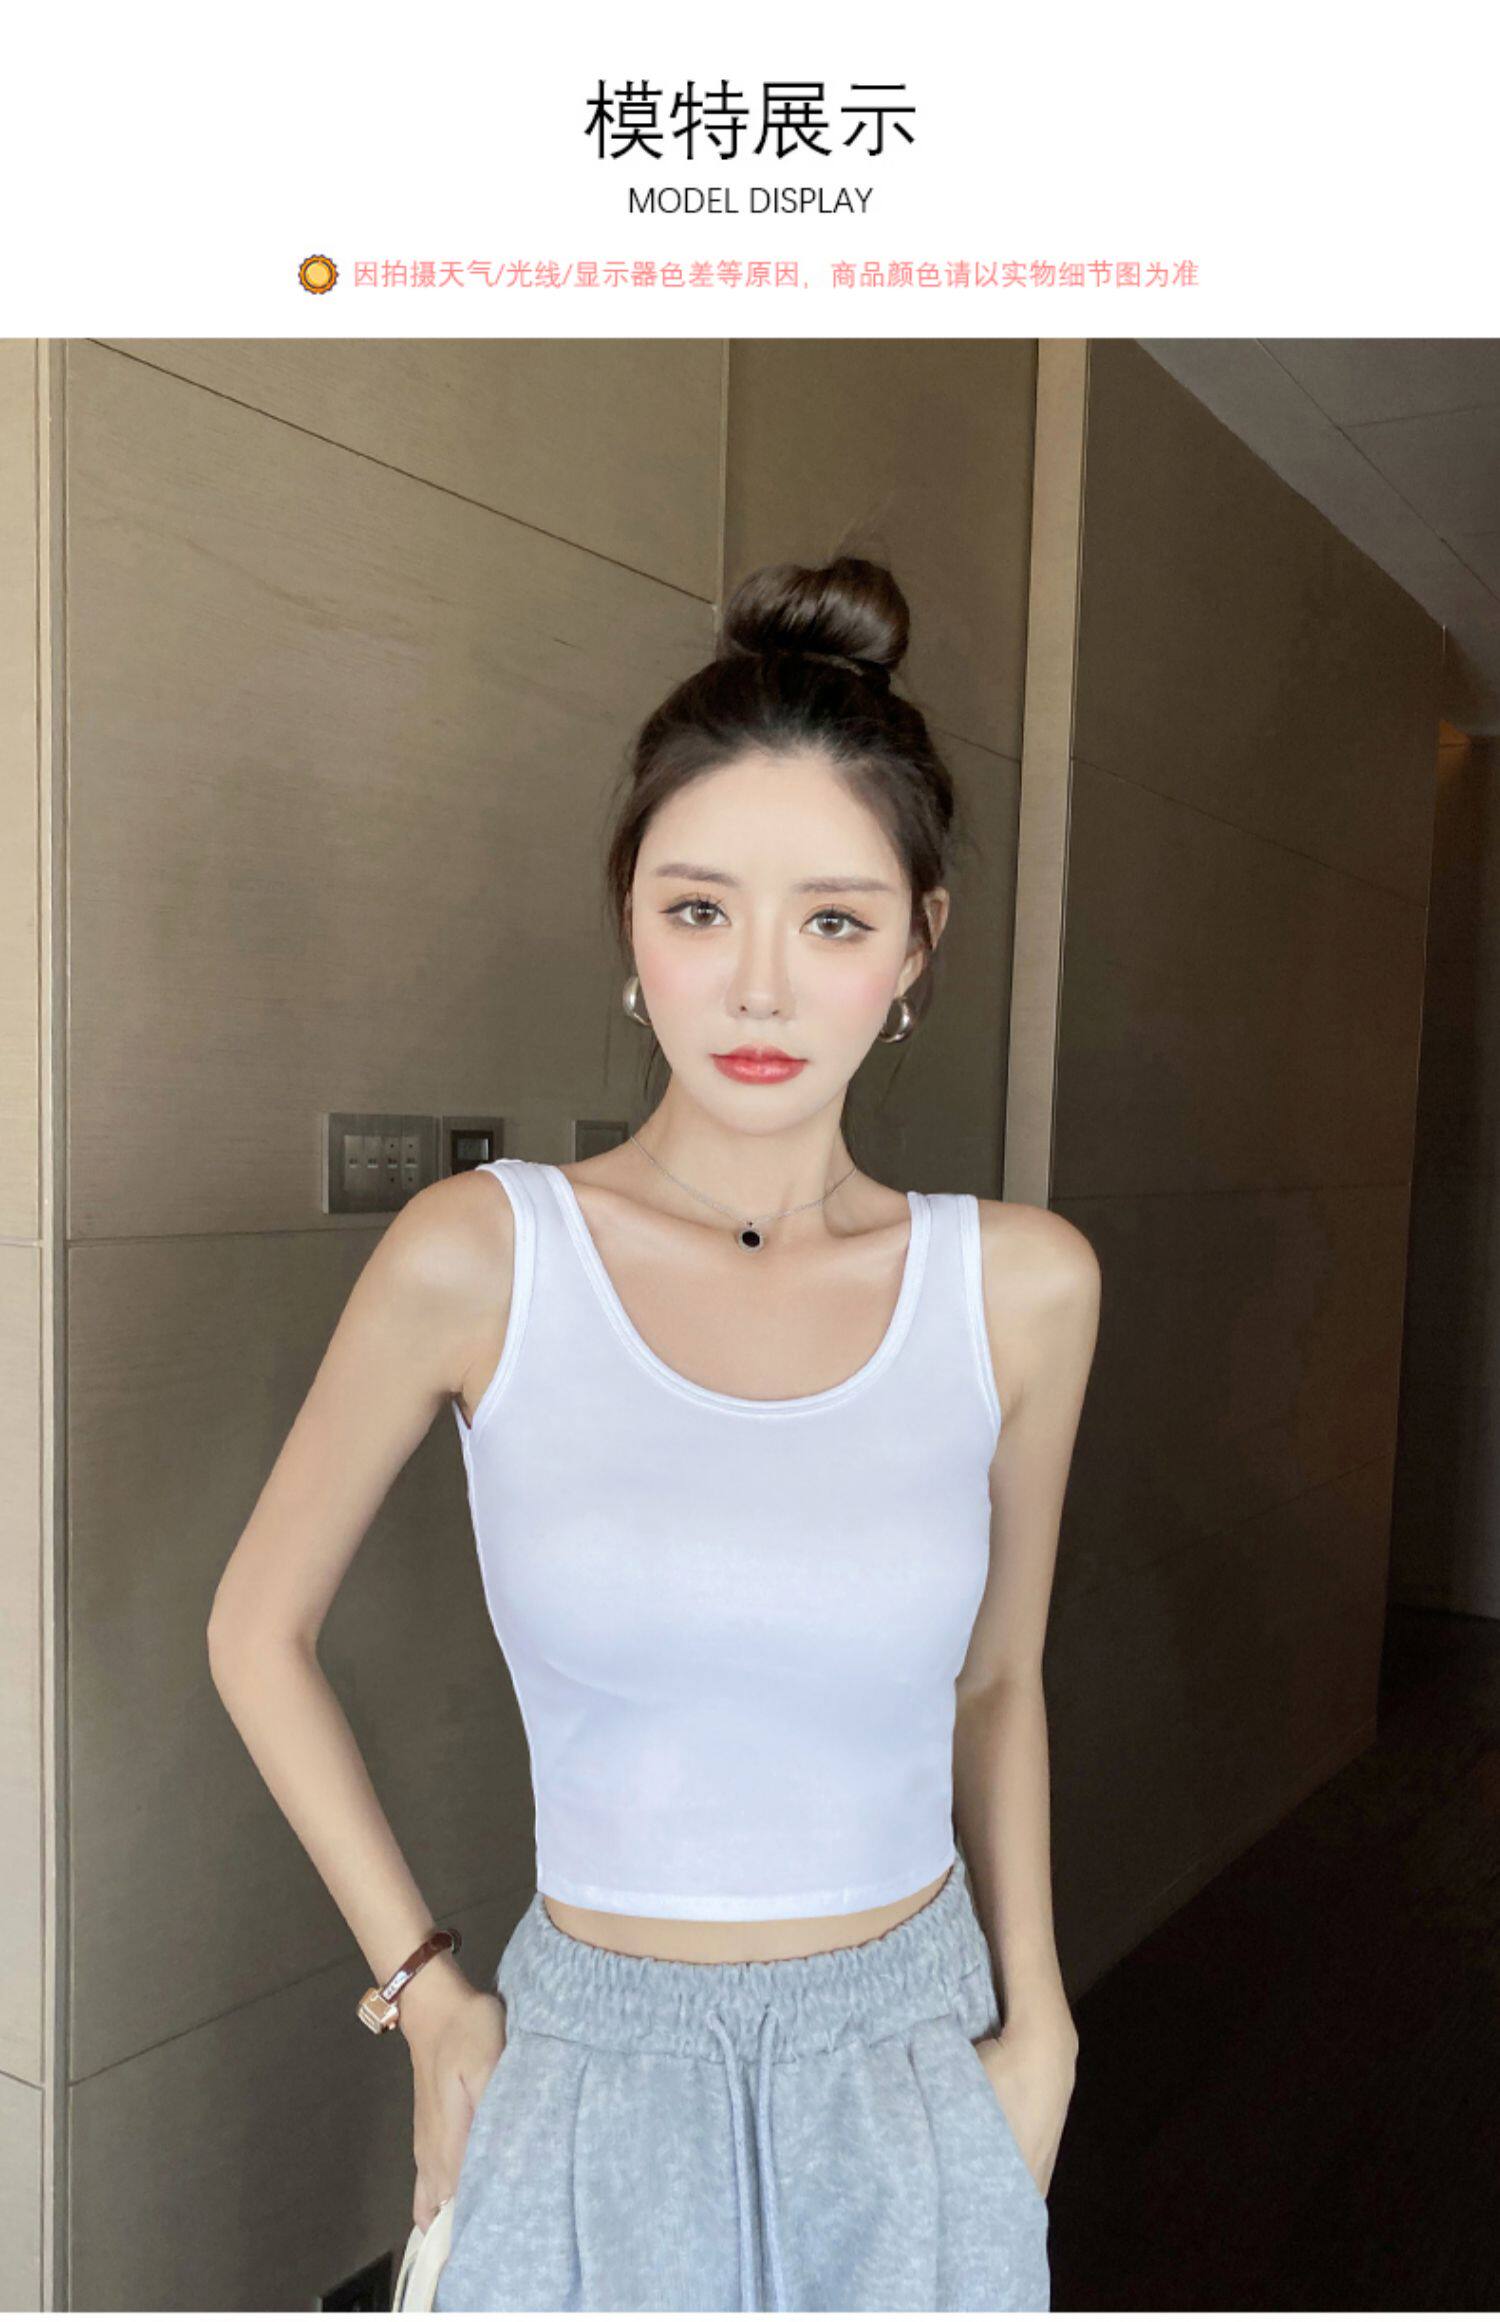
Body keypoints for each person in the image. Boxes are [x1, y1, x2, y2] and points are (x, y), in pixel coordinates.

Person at [207, 554, 1100, 2313]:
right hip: (590, 2075)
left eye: (833, 921)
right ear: (631, 923)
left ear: (917, 945)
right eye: (701, 910)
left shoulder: (1021, 1287)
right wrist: (426, 1996)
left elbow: (998, 1679)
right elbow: (254, 1629)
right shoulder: (482, 1254)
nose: (760, 989)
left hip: (916, 2068)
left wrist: (1043, 2020)